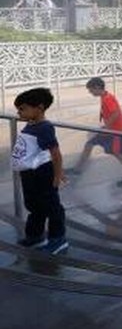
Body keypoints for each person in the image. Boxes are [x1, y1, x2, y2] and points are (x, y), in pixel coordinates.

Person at [11, 87, 69, 254]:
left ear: (40, 108)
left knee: (52, 206)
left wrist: (58, 174)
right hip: (29, 173)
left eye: (23, 108)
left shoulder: (44, 127)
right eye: (18, 109)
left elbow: (55, 153)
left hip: (43, 172)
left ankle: (58, 240)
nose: (19, 112)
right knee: (33, 204)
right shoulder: (31, 124)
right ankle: (35, 235)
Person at [68, 77, 122, 187]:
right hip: (110, 130)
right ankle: (77, 170)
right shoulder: (105, 97)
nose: (90, 92)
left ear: (97, 87)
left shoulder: (107, 98)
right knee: (89, 144)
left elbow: (115, 113)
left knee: (117, 153)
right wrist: (106, 127)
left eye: (91, 90)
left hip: (117, 131)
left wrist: (106, 127)